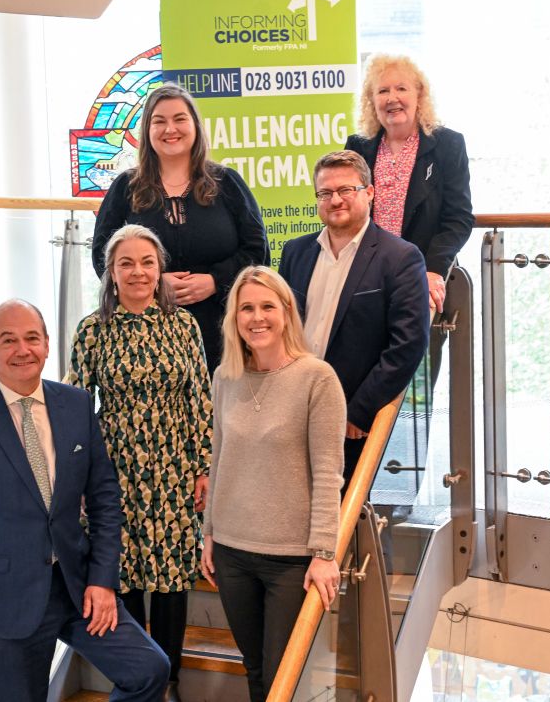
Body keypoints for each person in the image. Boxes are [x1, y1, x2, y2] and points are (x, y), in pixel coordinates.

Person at [0, 299, 169, 702]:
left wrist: (103, 581)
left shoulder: (75, 404)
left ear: (47, 344)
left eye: (32, 338)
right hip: (4, 600)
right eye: (9, 340)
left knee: (149, 670)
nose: (23, 350)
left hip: (77, 588)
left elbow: (105, 499)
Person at [67, 224, 212, 702]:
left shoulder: (183, 325)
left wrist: (204, 465)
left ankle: (167, 681)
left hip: (174, 469)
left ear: (160, 268)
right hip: (115, 473)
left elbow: (199, 400)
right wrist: (79, 479)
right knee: (122, 573)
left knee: (171, 580)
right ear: (111, 271)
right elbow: (74, 408)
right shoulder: (92, 330)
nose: (137, 271)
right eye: (126, 263)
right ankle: (134, 676)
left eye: (147, 262)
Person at [200, 266, 345, 702]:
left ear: (286, 313)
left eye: (267, 306)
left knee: (284, 674)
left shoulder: (317, 379)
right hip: (231, 552)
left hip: (290, 560)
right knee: (255, 667)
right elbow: (219, 459)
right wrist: (209, 532)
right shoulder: (225, 378)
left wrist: (323, 552)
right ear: (234, 319)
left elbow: (327, 475)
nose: (256, 317)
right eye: (246, 308)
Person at [92, 83, 270, 371]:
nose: (169, 129)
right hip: (146, 337)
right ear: (147, 132)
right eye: (159, 121)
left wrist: (214, 281)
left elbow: (258, 253)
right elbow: (103, 256)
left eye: (179, 119)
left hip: (224, 335)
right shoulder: (125, 188)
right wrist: (152, 284)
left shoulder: (227, 183)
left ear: (195, 126)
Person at [279, 150, 430, 487]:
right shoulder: (295, 253)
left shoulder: (400, 257)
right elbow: (281, 331)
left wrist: (359, 410)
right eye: (325, 193)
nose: (335, 200)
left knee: (347, 518)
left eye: (346, 190)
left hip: (351, 420)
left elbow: (408, 344)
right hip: (294, 412)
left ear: (370, 193)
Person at [345, 54, 474, 314]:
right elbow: (347, 214)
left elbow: (458, 219)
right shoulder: (357, 148)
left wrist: (433, 271)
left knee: (418, 354)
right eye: (382, 91)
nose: (392, 98)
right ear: (372, 101)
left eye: (401, 88)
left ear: (419, 96)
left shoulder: (448, 145)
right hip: (366, 279)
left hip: (424, 277)